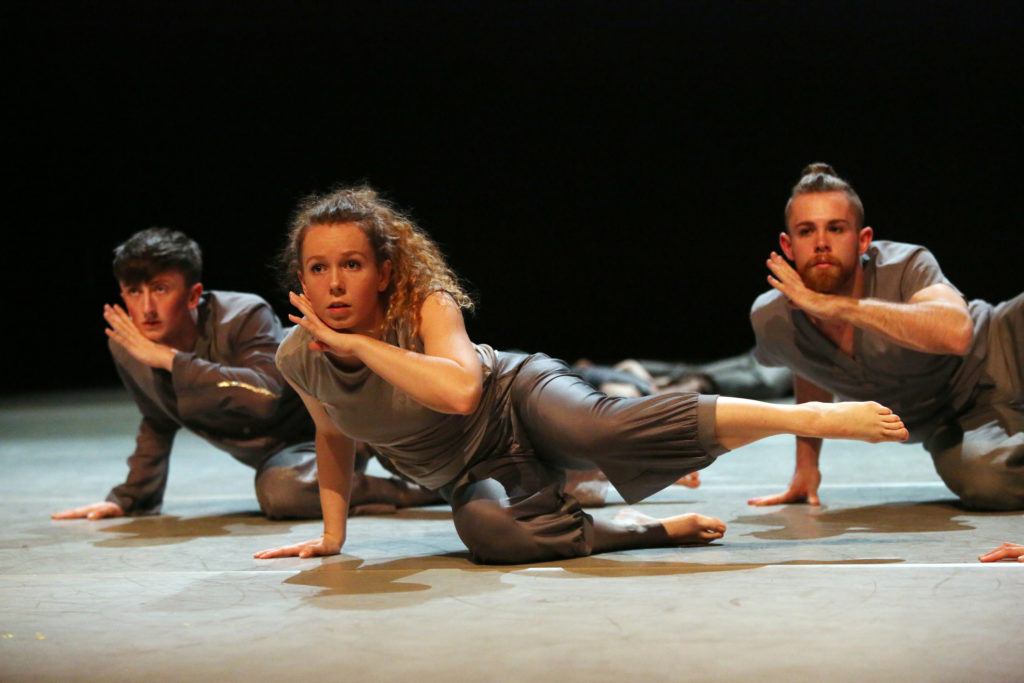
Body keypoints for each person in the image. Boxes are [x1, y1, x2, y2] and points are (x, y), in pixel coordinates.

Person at [254, 187, 908, 565]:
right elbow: (333, 437)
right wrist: (333, 536)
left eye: (351, 264)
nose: (334, 282)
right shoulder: (299, 357)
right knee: (490, 534)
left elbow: (459, 391)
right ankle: (648, 527)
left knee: (603, 430)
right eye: (317, 268)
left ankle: (805, 417)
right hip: (470, 468)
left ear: (385, 271)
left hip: (512, 398)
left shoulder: (427, 304)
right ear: (300, 276)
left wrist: (358, 345)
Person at [52, 228, 439, 522]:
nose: (147, 307)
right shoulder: (129, 345)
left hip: (337, 420)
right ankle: (401, 493)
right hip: (286, 455)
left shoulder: (241, 315)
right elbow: (157, 418)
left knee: (442, 468)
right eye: (134, 292)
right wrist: (127, 498)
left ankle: (419, 483)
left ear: (192, 294)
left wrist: (171, 360)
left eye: (160, 289)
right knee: (280, 493)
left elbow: (265, 398)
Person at [749, 163, 1024, 511]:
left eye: (835, 229)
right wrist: (807, 466)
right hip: (954, 421)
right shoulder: (773, 319)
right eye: (807, 231)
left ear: (863, 240)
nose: (821, 243)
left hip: (1006, 346)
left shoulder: (905, 264)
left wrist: (838, 307)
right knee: (987, 481)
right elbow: (808, 366)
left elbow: (957, 334)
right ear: (788, 246)